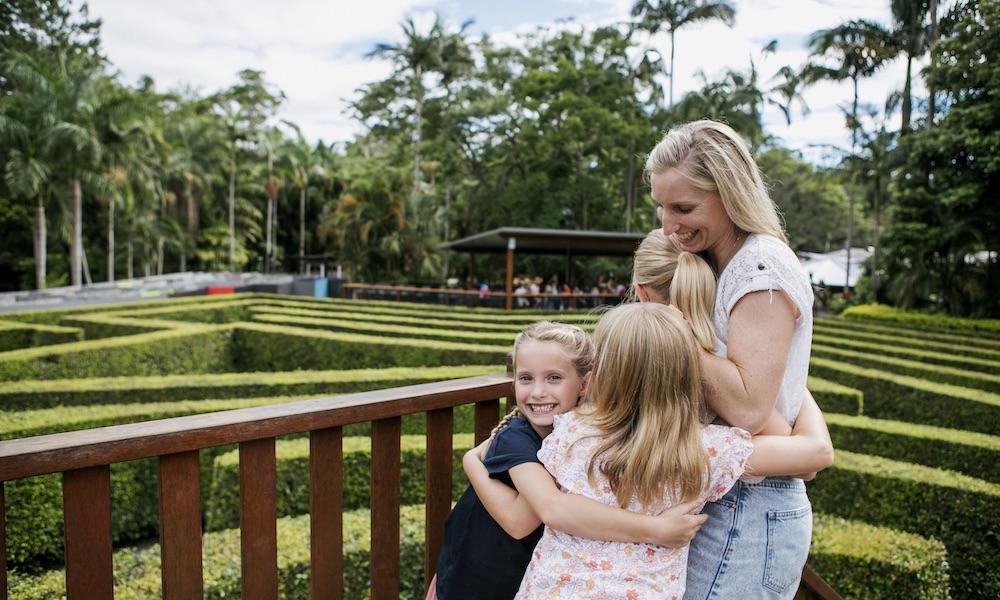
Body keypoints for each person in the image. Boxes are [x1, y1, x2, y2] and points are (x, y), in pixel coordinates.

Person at [506, 303, 832, 598]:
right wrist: (781, 384)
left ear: (602, 372)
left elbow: (555, 506)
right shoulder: (706, 450)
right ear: (687, 372)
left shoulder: (572, 430)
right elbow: (817, 453)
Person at [645, 119, 818, 598]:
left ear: (730, 194)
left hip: (749, 504)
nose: (668, 225)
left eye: (684, 208)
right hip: (731, 493)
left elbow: (748, 407)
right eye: (661, 206)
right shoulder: (726, 261)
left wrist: (676, 332)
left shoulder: (760, 268)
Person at [429, 321, 707, 600]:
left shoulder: (582, 433)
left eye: (553, 378)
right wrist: (656, 530)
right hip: (476, 582)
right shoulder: (516, 439)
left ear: (584, 384)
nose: (538, 391)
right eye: (526, 378)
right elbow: (523, 520)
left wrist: (470, 461)